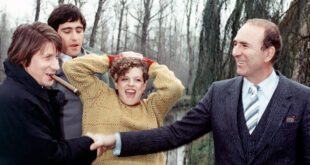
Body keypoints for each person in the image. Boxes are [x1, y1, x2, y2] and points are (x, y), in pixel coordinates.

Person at [89, 18, 310, 164]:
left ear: (268, 53)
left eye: (244, 45)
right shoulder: (219, 93)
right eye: (234, 44)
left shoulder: (302, 99)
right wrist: (115, 140)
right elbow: (174, 134)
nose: (235, 52)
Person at [0, 22, 99, 165]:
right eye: (47, 57)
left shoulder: (28, 93)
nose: (56, 66)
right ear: (23, 58)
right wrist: (90, 143)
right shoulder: (15, 100)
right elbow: (50, 157)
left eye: (56, 57)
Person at [62, 52, 184, 164]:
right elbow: (71, 68)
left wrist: (150, 65)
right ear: (116, 82)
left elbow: (175, 88)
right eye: (125, 79)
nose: (131, 84)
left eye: (137, 80)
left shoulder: (153, 108)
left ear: (144, 85)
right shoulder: (98, 97)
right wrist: (112, 60)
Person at [47, 3, 89, 139]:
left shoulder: (99, 67)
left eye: (79, 30)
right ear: (54, 34)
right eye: (67, 31)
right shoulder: (45, 70)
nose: (75, 37)